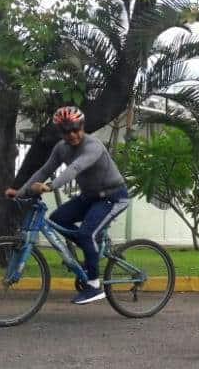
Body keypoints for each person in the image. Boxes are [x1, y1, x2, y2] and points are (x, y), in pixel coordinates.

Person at [7, 106, 129, 305]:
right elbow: (43, 170)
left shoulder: (93, 145)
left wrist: (50, 186)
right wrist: (20, 191)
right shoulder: (61, 148)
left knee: (86, 234)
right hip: (90, 196)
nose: (72, 134)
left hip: (113, 196)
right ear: (60, 132)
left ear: (82, 126)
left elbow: (75, 168)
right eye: (66, 131)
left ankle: (94, 287)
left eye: (75, 128)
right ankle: (92, 250)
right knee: (58, 219)